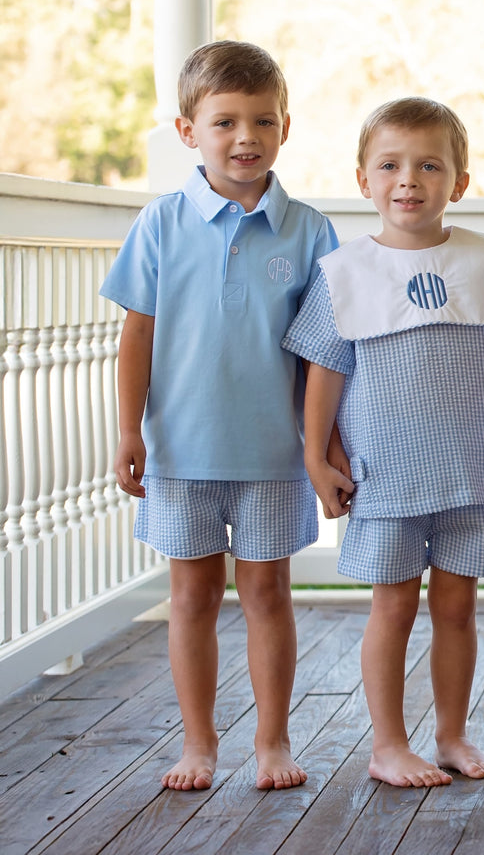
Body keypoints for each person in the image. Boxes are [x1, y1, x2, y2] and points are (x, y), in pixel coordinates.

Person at [282, 97, 484, 788]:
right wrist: (316, 457)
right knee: (394, 605)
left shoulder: (483, 260)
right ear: (363, 180)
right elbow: (324, 371)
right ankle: (388, 745)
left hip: (473, 470)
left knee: (458, 608)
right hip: (387, 476)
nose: (408, 179)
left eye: (429, 166)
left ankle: (452, 736)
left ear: (458, 182)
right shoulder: (344, 272)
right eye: (390, 165)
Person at [102, 40, 338, 792]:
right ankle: (198, 743)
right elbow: (137, 334)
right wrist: (128, 429)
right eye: (224, 122)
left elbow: (326, 354)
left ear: (285, 128)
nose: (245, 138)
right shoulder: (161, 223)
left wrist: (323, 447)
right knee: (192, 598)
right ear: (188, 131)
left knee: (268, 596)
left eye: (262, 121)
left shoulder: (309, 230)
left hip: (273, 454)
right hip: (180, 452)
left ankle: (273, 742)